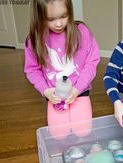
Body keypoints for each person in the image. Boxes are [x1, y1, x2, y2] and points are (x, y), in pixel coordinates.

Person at [24, 0, 100, 138]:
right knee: (59, 135)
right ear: (39, 16)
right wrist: (45, 90)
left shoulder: (82, 32)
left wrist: (78, 89)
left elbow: (92, 63)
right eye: (50, 19)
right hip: (55, 96)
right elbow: (32, 70)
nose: (59, 24)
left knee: (83, 131)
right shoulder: (34, 40)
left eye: (64, 16)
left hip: (80, 91)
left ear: (70, 11)